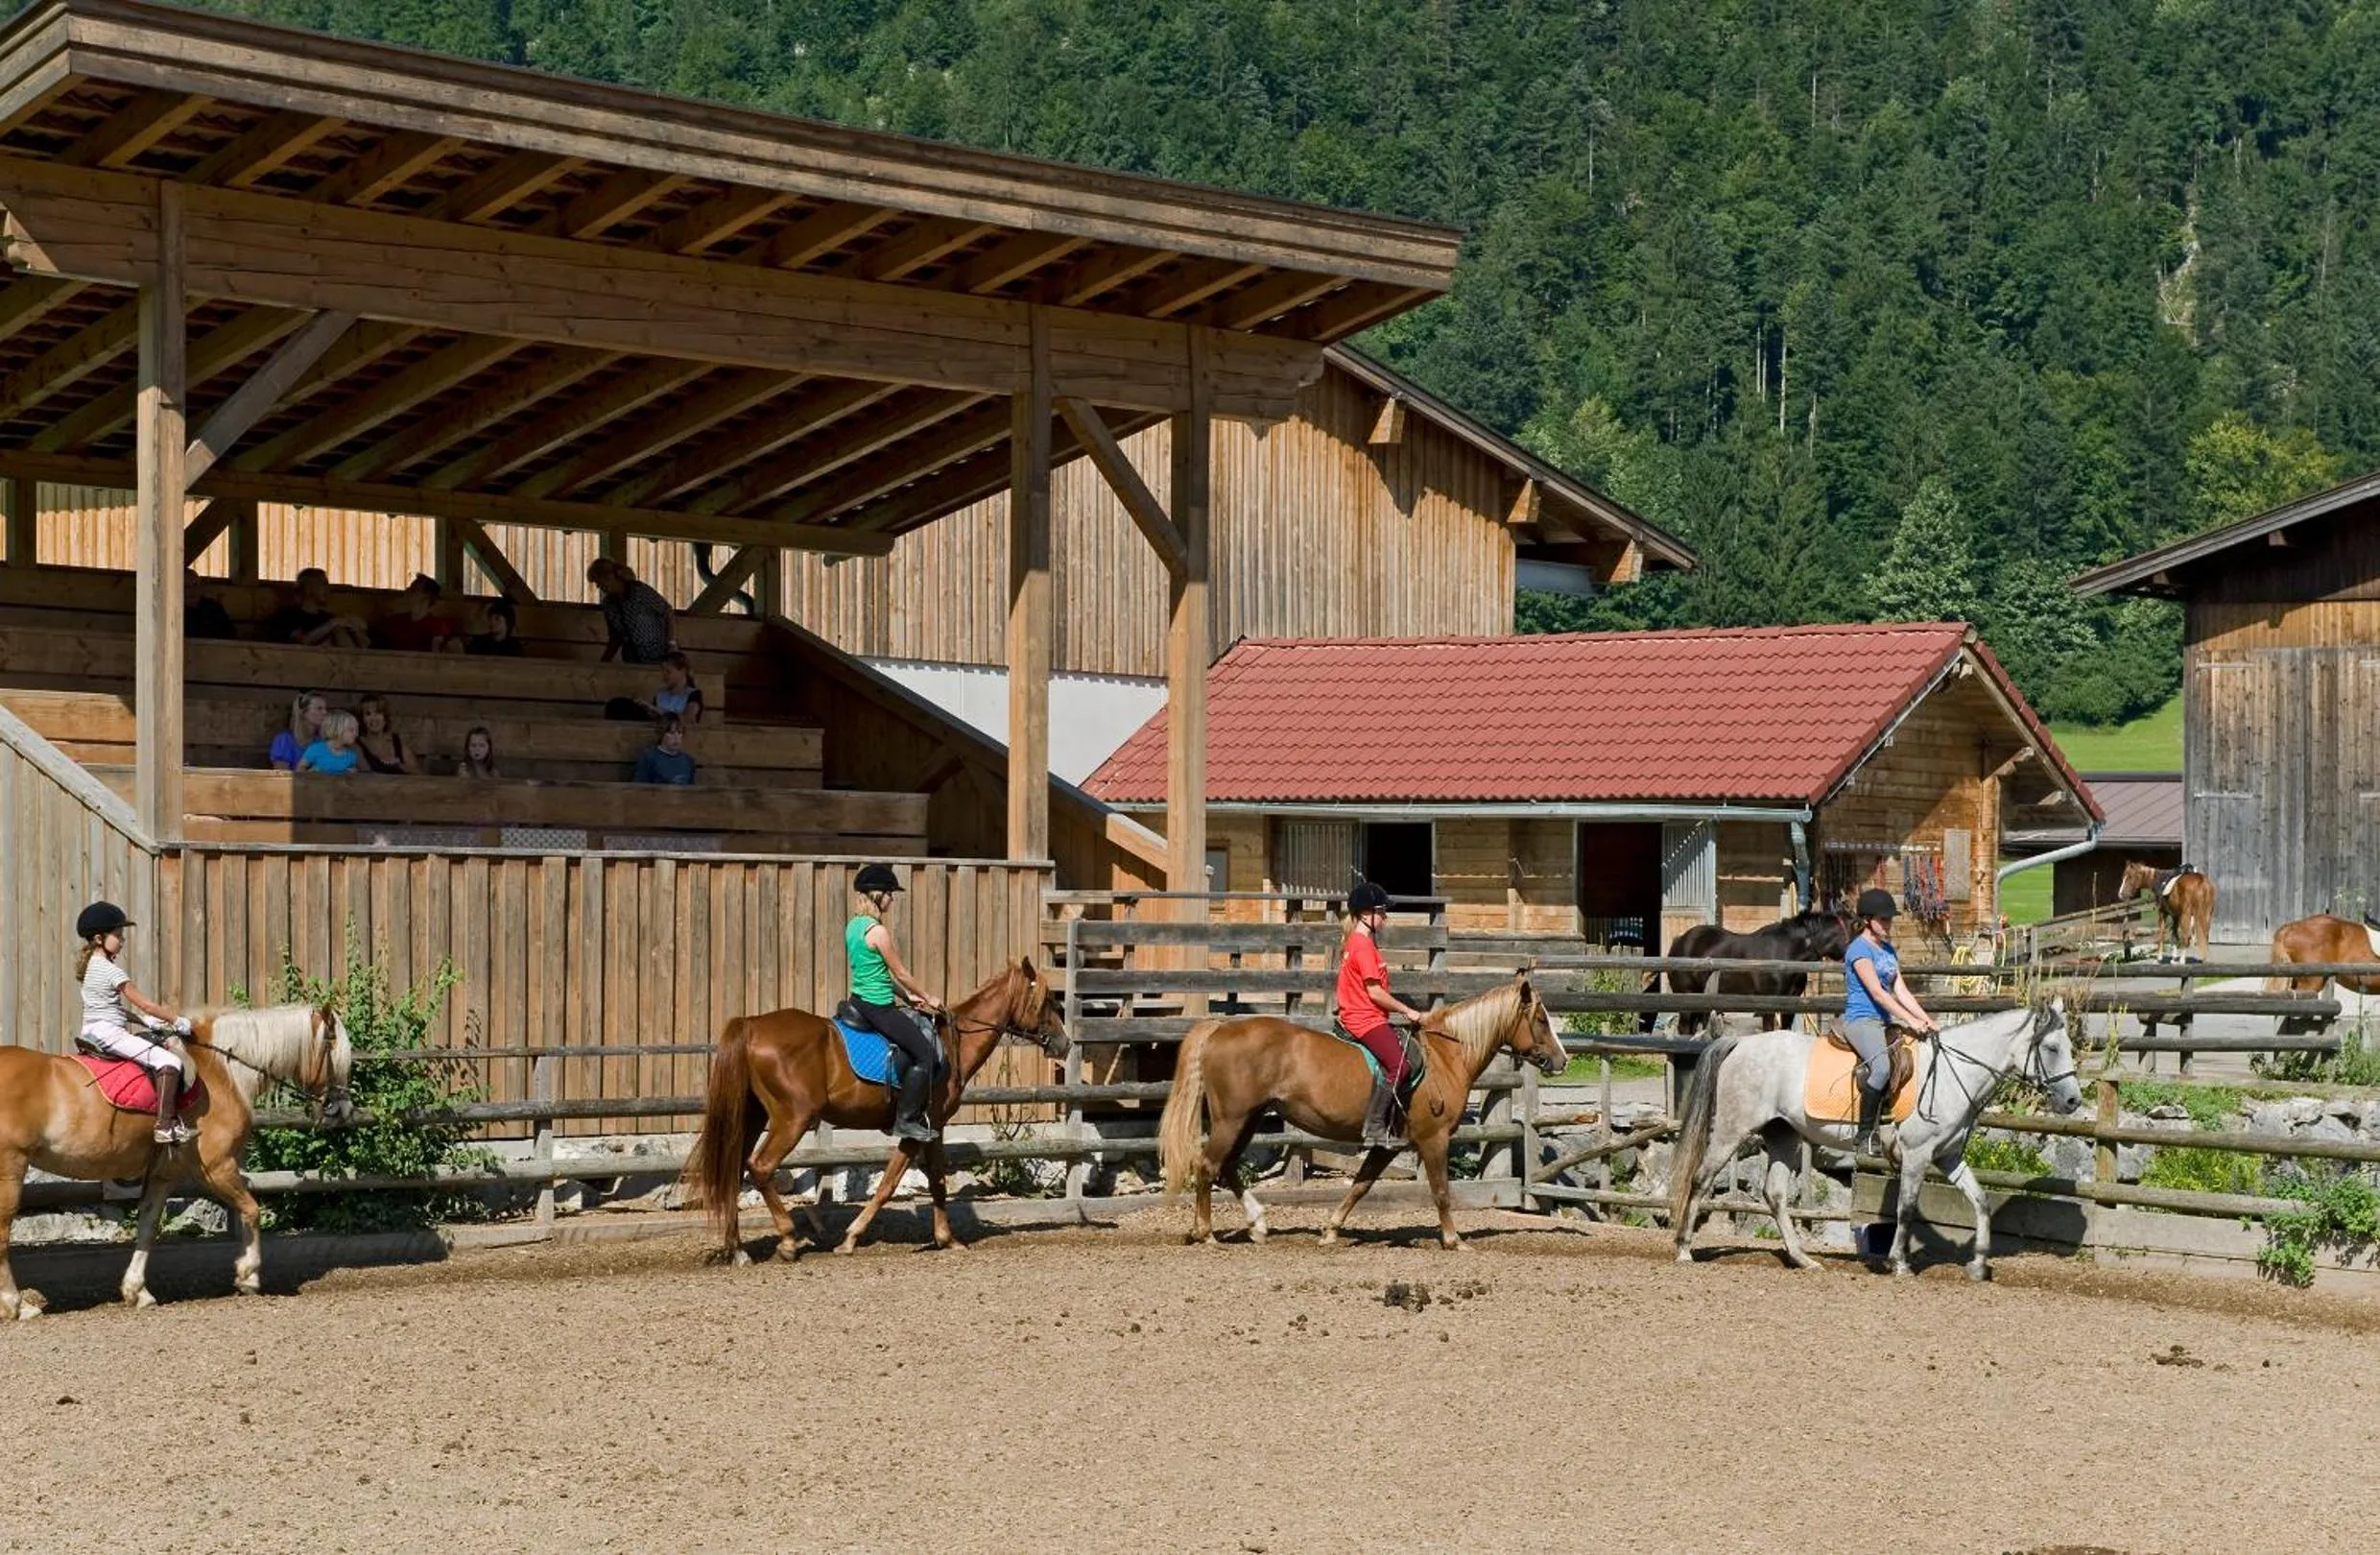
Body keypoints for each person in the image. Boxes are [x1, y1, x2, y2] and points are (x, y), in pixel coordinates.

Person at [73, 900, 198, 1146]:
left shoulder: (90, 967)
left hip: (92, 1030)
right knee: (170, 1061)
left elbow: (110, 1009)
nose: (122, 940)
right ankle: (165, 1126)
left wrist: (144, 1022)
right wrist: (177, 1020)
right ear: (99, 938)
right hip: (109, 1034)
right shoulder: (112, 971)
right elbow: (146, 1004)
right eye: (118, 935)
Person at [846, 863, 945, 1143]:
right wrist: (928, 996)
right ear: (877, 895)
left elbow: (875, 973)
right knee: (926, 1055)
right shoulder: (878, 932)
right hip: (879, 1007)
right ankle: (906, 1119)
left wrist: (906, 996)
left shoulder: (853, 927)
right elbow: (900, 972)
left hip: (859, 1000)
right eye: (890, 893)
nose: (892, 899)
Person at [1334, 881, 1431, 1148]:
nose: (1385, 918)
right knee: (1400, 1066)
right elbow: (1375, 993)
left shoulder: (1355, 942)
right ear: (1366, 914)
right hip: (1365, 1019)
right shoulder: (1363, 947)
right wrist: (1408, 1010)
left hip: (1360, 1015)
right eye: (1381, 912)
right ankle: (1375, 1125)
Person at [1842, 885, 1939, 1153]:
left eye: (1890, 919)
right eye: (1883, 920)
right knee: (1882, 1068)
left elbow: (1901, 992)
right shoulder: (1858, 950)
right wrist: (1910, 1021)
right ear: (1867, 921)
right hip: (1861, 1020)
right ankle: (1864, 1135)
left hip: (1884, 1022)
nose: (1888, 924)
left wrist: (1927, 1020)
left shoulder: (1888, 951)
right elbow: (1878, 993)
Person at [586, 557, 675, 664]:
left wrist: (671, 643)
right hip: (632, 659)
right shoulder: (609, 605)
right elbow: (615, 637)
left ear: (610, 577)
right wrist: (603, 664)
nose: (598, 586)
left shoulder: (639, 591)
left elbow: (667, 611)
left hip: (658, 657)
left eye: (599, 581)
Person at [261, 567, 369, 649]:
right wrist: (333, 624)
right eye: (323, 584)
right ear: (308, 588)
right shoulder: (289, 616)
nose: (328, 590)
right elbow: (301, 642)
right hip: (304, 664)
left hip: (338, 664)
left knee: (340, 632)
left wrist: (357, 630)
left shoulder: (328, 617)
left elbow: (365, 645)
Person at [373, 573, 459, 654]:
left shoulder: (436, 626)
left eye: (413, 590)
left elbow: (436, 656)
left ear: (426, 597)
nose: (407, 591)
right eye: (409, 589)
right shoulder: (395, 621)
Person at [353, 694, 423, 775]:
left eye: (378, 713)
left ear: (385, 717)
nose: (373, 718)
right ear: (362, 720)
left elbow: (420, 774)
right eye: (368, 714)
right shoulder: (357, 745)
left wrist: (399, 766)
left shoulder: (397, 743)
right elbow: (365, 772)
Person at [268, 689, 328, 771]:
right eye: (319, 708)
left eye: (325, 708)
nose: (325, 712)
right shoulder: (285, 740)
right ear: (304, 713)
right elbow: (282, 774)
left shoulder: (321, 741)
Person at [631, 714, 696, 784]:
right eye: (671, 733)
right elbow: (639, 787)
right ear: (662, 734)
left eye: (679, 732)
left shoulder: (688, 761)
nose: (676, 737)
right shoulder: (648, 758)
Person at [643, 652, 704, 725]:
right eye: (663, 670)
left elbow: (688, 719)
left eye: (668, 671)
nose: (664, 674)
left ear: (682, 671)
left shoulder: (693, 694)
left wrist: (665, 715)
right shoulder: (660, 694)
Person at [298, 709, 363, 775]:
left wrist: (353, 773)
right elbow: (299, 770)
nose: (356, 734)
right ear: (336, 729)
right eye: (351, 730)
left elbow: (352, 776)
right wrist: (310, 773)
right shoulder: (316, 749)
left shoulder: (351, 755)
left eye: (356, 730)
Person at [185, 571, 237, 640]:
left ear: (201, 586)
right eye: (186, 586)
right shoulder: (175, 609)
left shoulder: (213, 607)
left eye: (195, 584)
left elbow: (229, 633)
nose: (192, 590)